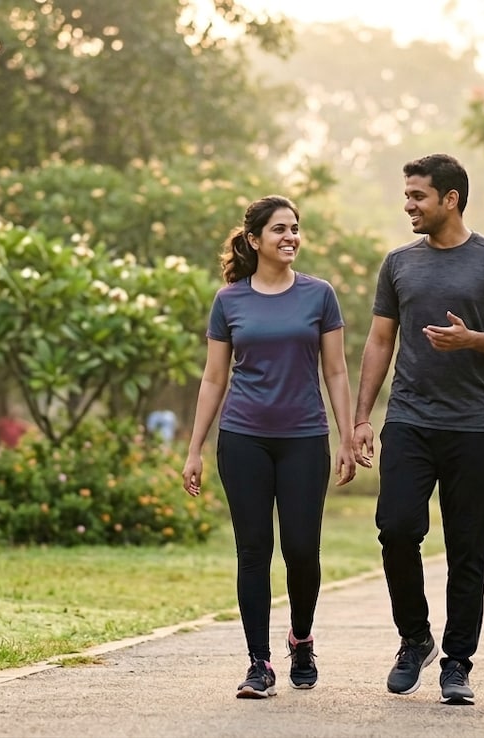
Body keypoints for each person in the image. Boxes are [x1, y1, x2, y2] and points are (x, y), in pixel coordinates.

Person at [352, 154, 484, 706]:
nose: (408, 205)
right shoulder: (398, 264)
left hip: (472, 427)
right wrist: (362, 416)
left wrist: (473, 340)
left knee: (467, 548)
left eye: (417, 196)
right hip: (408, 419)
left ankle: (457, 664)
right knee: (397, 528)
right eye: (406, 195)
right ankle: (415, 638)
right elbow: (380, 340)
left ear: (450, 198)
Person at [181, 195, 356, 700]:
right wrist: (195, 448)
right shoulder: (229, 301)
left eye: (295, 229)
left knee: (302, 550)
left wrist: (347, 436)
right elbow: (213, 379)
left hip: (304, 437)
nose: (291, 237)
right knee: (253, 551)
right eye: (280, 229)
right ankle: (259, 663)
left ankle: (301, 638)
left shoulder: (319, 295)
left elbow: (336, 371)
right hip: (243, 439)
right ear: (254, 239)